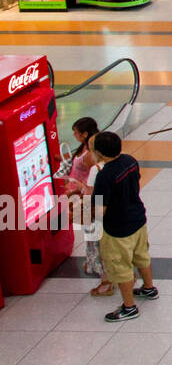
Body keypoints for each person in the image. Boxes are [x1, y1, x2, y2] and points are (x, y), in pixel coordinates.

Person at [89, 132, 157, 322]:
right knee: (142, 255)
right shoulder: (130, 160)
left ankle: (129, 307)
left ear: (100, 153)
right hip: (137, 218)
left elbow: (100, 211)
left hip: (117, 229)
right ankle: (149, 288)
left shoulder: (104, 176)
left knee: (121, 267)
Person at [64, 117, 113, 297]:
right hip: (93, 206)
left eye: (76, 132)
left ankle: (106, 281)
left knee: (97, 242)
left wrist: (79, 206)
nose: (74, 135)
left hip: (93, 209)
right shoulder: (119, 165)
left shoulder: (95, 168)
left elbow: (92, 193)